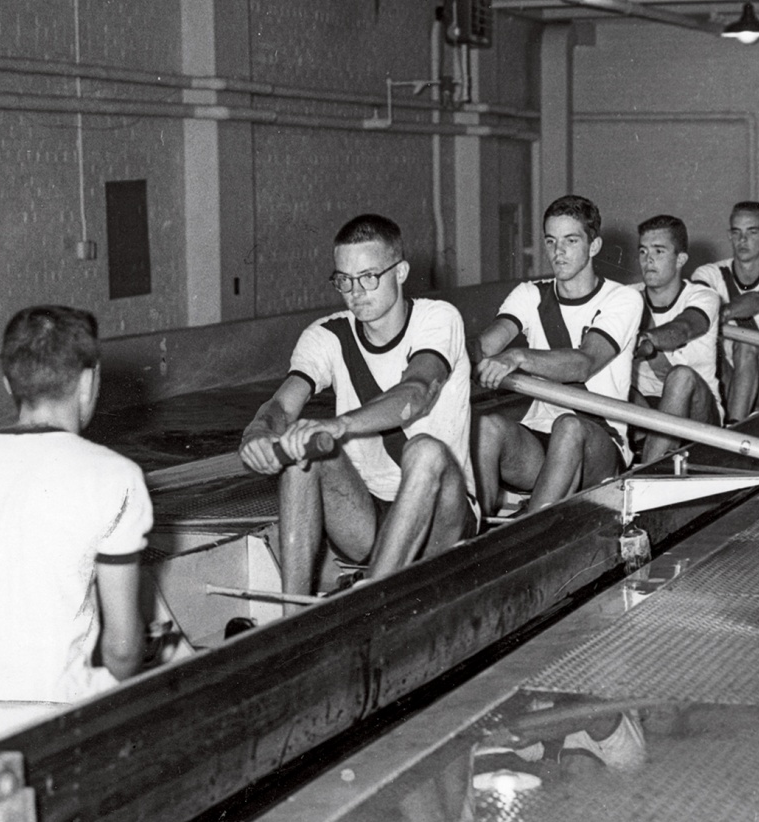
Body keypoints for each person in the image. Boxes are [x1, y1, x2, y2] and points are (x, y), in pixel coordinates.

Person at [0, 305, 152, 703]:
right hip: (56, 723)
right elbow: (122, 650)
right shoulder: (115, 476)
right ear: (89, 381)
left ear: (8, 383)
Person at [239, 214, 475, 598]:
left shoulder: (438, 318)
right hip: (365, 520)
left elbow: (416, 393)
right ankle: (291, 614)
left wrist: (339, 425)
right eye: (344, 280)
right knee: (303, 449)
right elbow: (281, 405)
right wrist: (258, 433)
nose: (356, 292)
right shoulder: (325, 335)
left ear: (400, 272)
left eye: (369, 277)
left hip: (443, 520)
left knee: (426, 450)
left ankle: (368, 603)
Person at [473, 194, 642, 515]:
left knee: (569, 425)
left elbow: (584, 364)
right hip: (538, 442)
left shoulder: (623, 299)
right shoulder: (528, 294)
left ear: (594, 246)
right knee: (487, 428)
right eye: (551, 241)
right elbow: (485, 345)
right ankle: (474, 531)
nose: (557, 252)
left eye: (570, 240)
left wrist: (518, 358)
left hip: (599, 442)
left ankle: (528, 537)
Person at [691, 201, 759, 424]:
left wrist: (722, 312)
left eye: (752, 232)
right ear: (729, 235)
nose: (743, 240)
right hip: (728, 374)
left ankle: (733, 429)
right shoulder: (709, 273)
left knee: (747, 346)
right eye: (737, 232)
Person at [628, 215, 722, 464]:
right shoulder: (625, 298)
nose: (648, 260)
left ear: (680, 259)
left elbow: (682, 329)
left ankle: (644, 475)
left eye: (659, 251)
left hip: (698, 413)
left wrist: (645, 340)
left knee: (681, 376)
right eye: (643, 251)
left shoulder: (704, 296)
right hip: (645, 409)